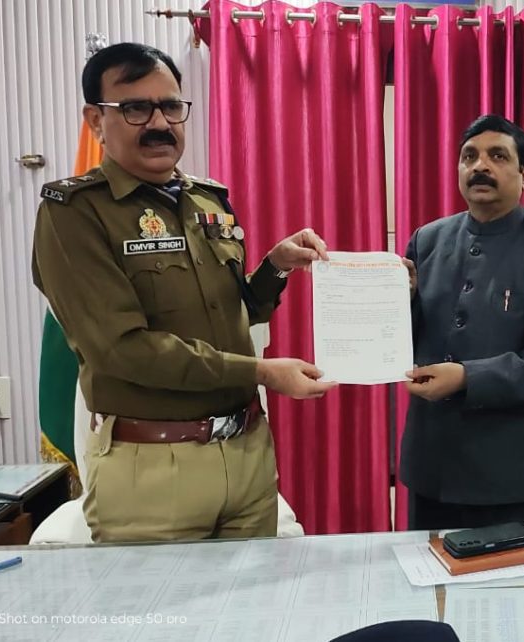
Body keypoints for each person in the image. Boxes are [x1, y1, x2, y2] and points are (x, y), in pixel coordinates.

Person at [31, 43, 336, 543]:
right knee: (159, 599)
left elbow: (237, 312)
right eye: (136, 108)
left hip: (246, 455)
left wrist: (277, 266)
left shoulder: (206, 200)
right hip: (150, 470)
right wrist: (261, 372)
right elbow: (123, 350)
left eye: (171, 106)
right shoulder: (74, 213)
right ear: (96, 121)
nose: (160, 123)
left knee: (257, 596)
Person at [402, 114, 524, 530]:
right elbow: (408, 337)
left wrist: (468, 377)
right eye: (469, 156)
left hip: (510, 477)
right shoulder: (427, 240)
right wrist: (401, 301)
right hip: (430, 470)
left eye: (497, 156)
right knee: (427, 573)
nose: (480, 166)